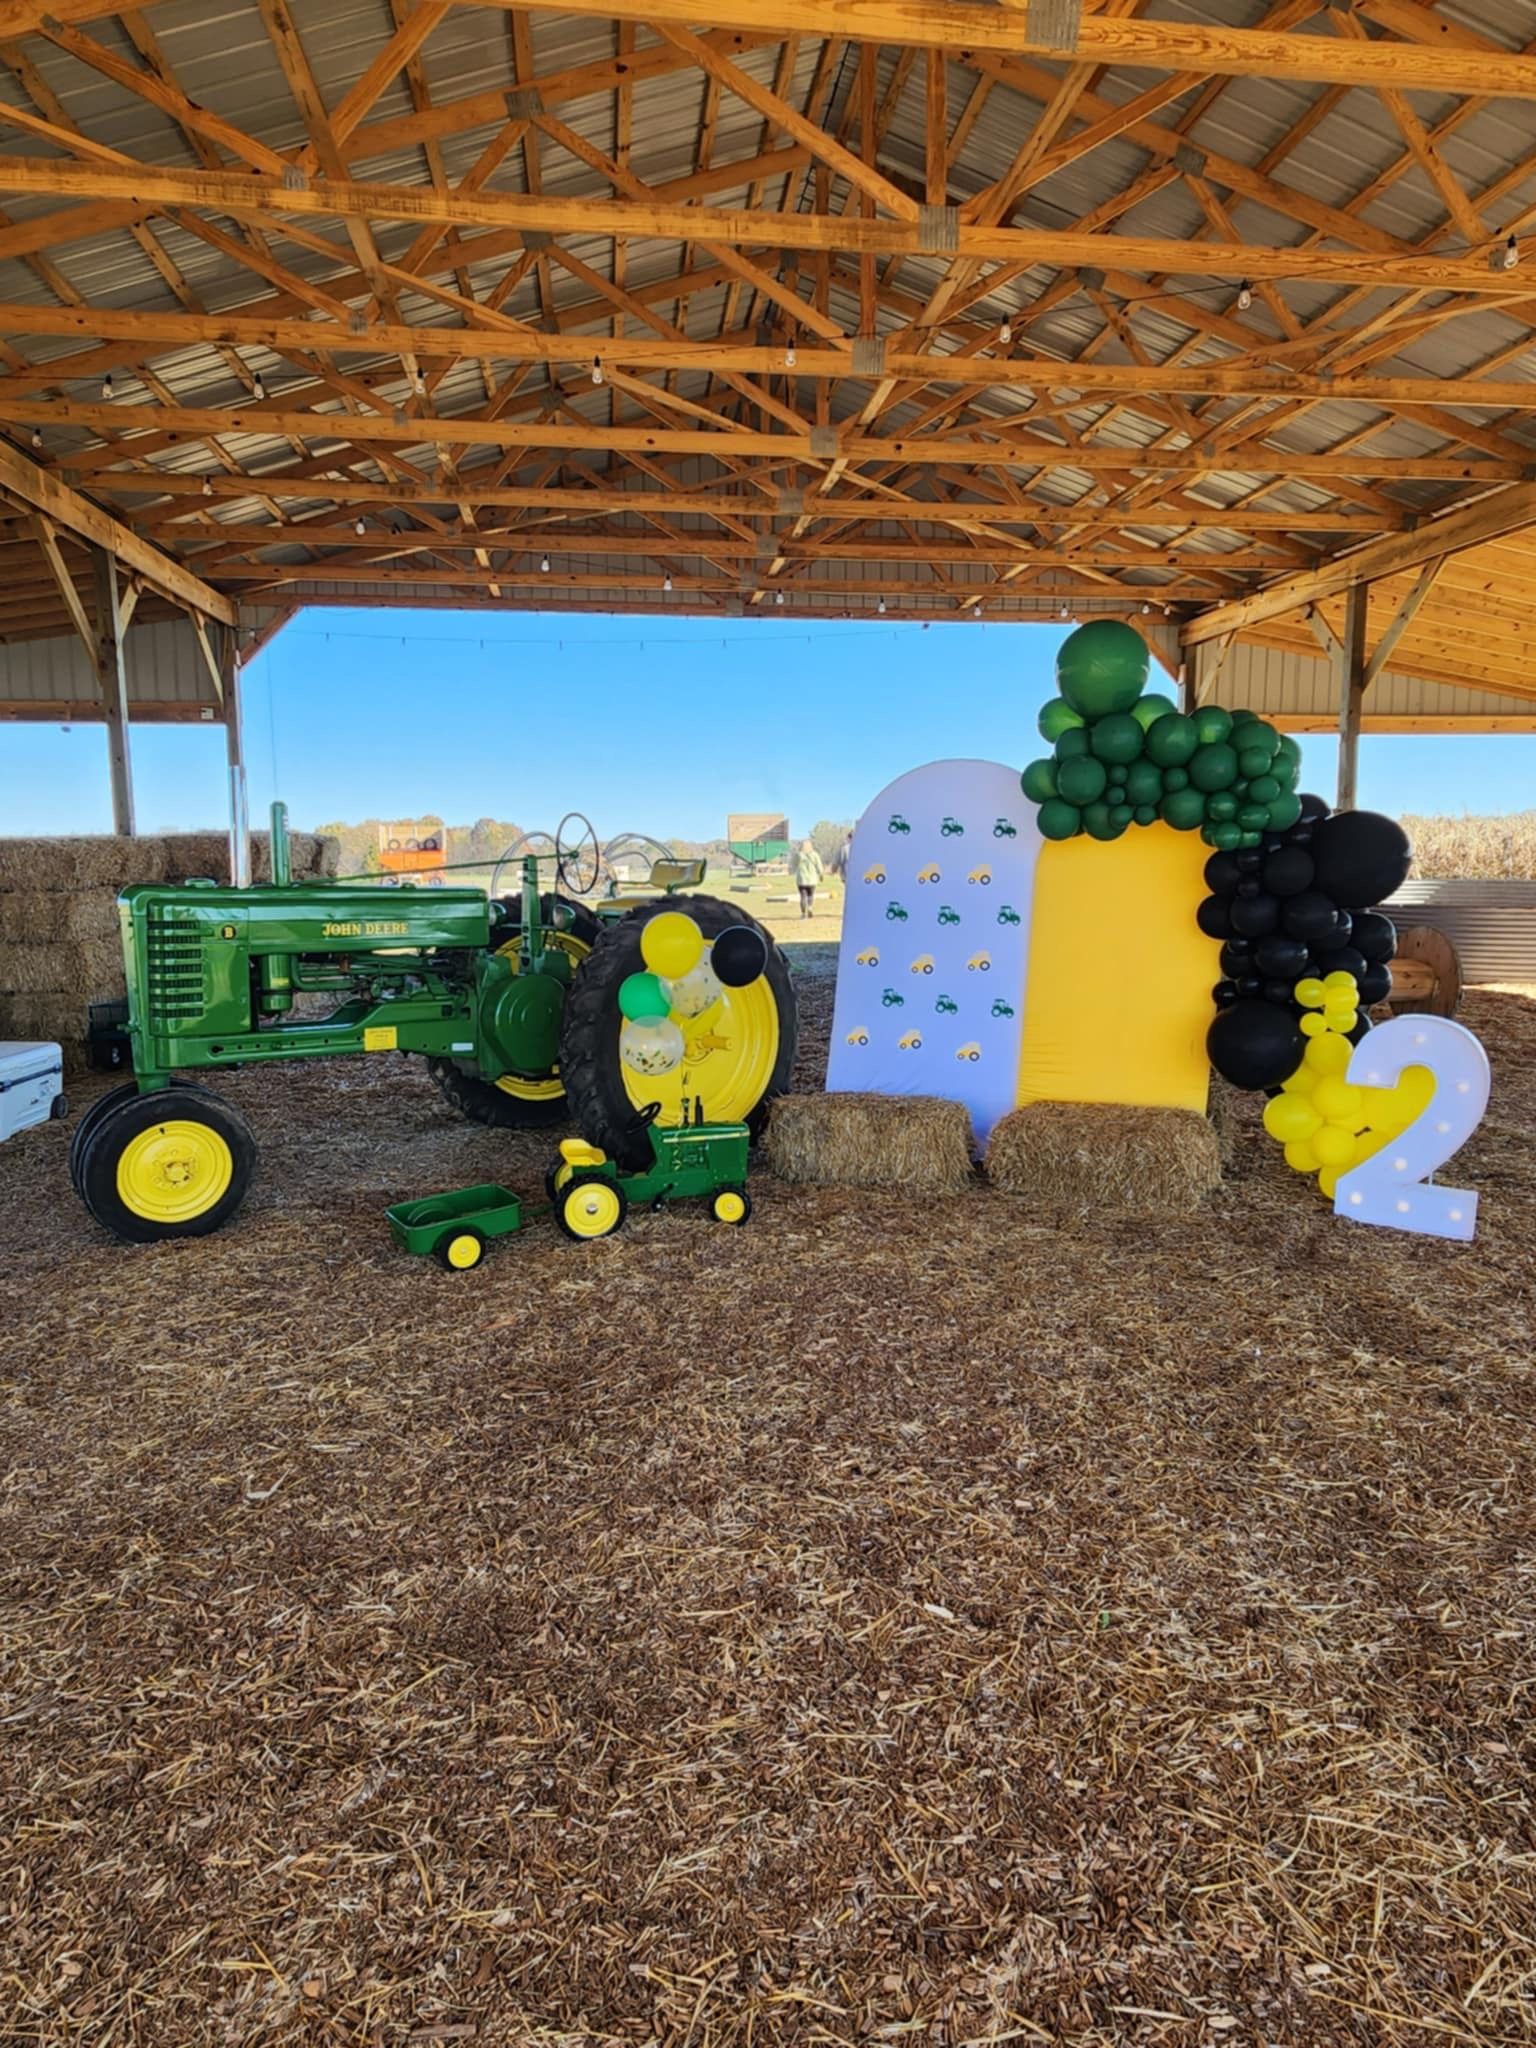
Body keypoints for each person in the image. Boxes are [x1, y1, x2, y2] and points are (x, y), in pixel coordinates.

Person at [794, 836, 824, 919]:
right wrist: (821, 874)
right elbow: (819, 866)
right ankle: (810, 907)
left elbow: (794, 865)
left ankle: (803, 914)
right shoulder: (815, 855)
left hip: (801, 879)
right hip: (812, 879)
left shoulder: (798, 855)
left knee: (803, 896)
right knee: (810, 895)